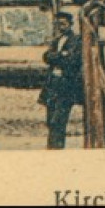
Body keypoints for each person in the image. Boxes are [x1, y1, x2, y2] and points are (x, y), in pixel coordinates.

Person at [40, 12, 84, 149]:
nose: (60, 27)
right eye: (58, 24)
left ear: (71, 25)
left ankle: (57, 148)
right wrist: (60, 55)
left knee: (58, 120)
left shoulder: (76, 40)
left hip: (66, 86)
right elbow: (46, 57)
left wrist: (56, 56)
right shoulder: (57, 40)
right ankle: (52, 147)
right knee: (50, 121)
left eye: (63, 24)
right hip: (52, 85)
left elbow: (72, 60)